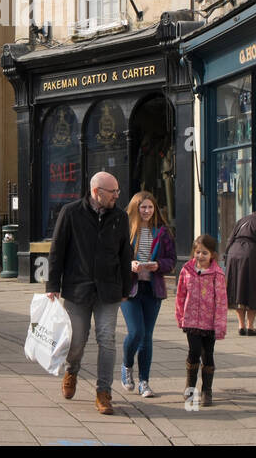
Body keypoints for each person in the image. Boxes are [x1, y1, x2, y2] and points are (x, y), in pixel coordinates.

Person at [46, 171, 133, 415]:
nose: (117, 195)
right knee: (76, 341)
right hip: (77, 290)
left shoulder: (120, 217)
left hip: (109, 291)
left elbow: (125, 254)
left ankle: (104, 392)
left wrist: (126, 287)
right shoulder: (71, 213)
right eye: (112, 192)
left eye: (117, 191)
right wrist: (52, 285)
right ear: (97, 192)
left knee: (107, 340)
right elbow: (57, 250)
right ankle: (71, 370)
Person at [120, 191, 176, 398]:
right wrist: (129, 264)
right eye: (143, 207)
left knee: (147, 336)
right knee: (136, 332)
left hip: (153, 289)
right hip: (130, 289)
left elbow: (171, 260)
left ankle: (144, 382)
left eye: (150, 207)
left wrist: (158, 265)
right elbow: (113, 257)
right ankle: (126, 366)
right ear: (135, 208)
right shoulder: (125, 230)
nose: (147, 211)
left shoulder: (162, 231)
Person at [174, 234, 227, 406]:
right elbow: (180, 295)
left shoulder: (217, 274)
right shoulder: (186, 270)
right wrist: (180, 315)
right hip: (191, 321)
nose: (200, 256)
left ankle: (207, 391)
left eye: (205, 253)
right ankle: (190, 388)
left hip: (209, 322)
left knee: (208, 355)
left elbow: (221, 301)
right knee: (194, 352)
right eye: (198, 252)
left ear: (212, 255)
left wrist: (220, 324)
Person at [224, 207, 256, 335]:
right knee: (254, 289)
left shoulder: (243, 219)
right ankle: (250, 326)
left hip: (233, 253)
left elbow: (230, 239)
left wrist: (227, 257)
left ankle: (241, 326)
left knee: (237, 290)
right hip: (252, 254)